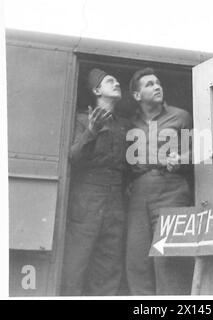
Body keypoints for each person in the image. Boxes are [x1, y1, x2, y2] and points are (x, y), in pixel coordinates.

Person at [61, 68, 130, 296]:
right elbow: (73, 157)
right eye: (111, 80)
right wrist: (92, 130)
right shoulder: (81, 119)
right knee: (77, 262)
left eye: (117, 79)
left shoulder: (124, 125)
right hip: (88, 197)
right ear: (96, 90)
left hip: (116, 198)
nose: (117, 82)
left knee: (109, 265)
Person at [126, 67, 194, 295]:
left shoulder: (181, 116)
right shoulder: (130, 123)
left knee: (168, 260)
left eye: (158, 82)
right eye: (149, 84)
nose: (157, 86)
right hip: (139, 191)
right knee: (137, 262)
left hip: (171, 189)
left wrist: (181, 160)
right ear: (137, 96)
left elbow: (200, 154)